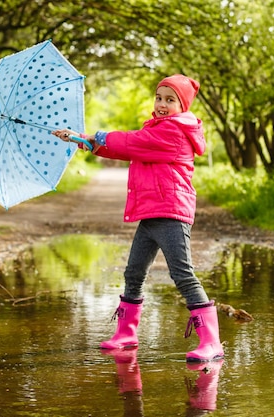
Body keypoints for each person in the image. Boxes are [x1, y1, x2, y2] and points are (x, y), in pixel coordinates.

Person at [52, 74, 224, 363]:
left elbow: (133, 142)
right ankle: (127, 333)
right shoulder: (157, 130)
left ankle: (211, 342)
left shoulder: (174, 133)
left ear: (182, 106)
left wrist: (100, 136)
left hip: (171, 214)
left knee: (182, 274)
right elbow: (128, 149)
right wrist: (83, 140)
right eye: (159, 98)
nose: (162, 104)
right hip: (151, 215)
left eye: (171, 100)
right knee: (134, 272)